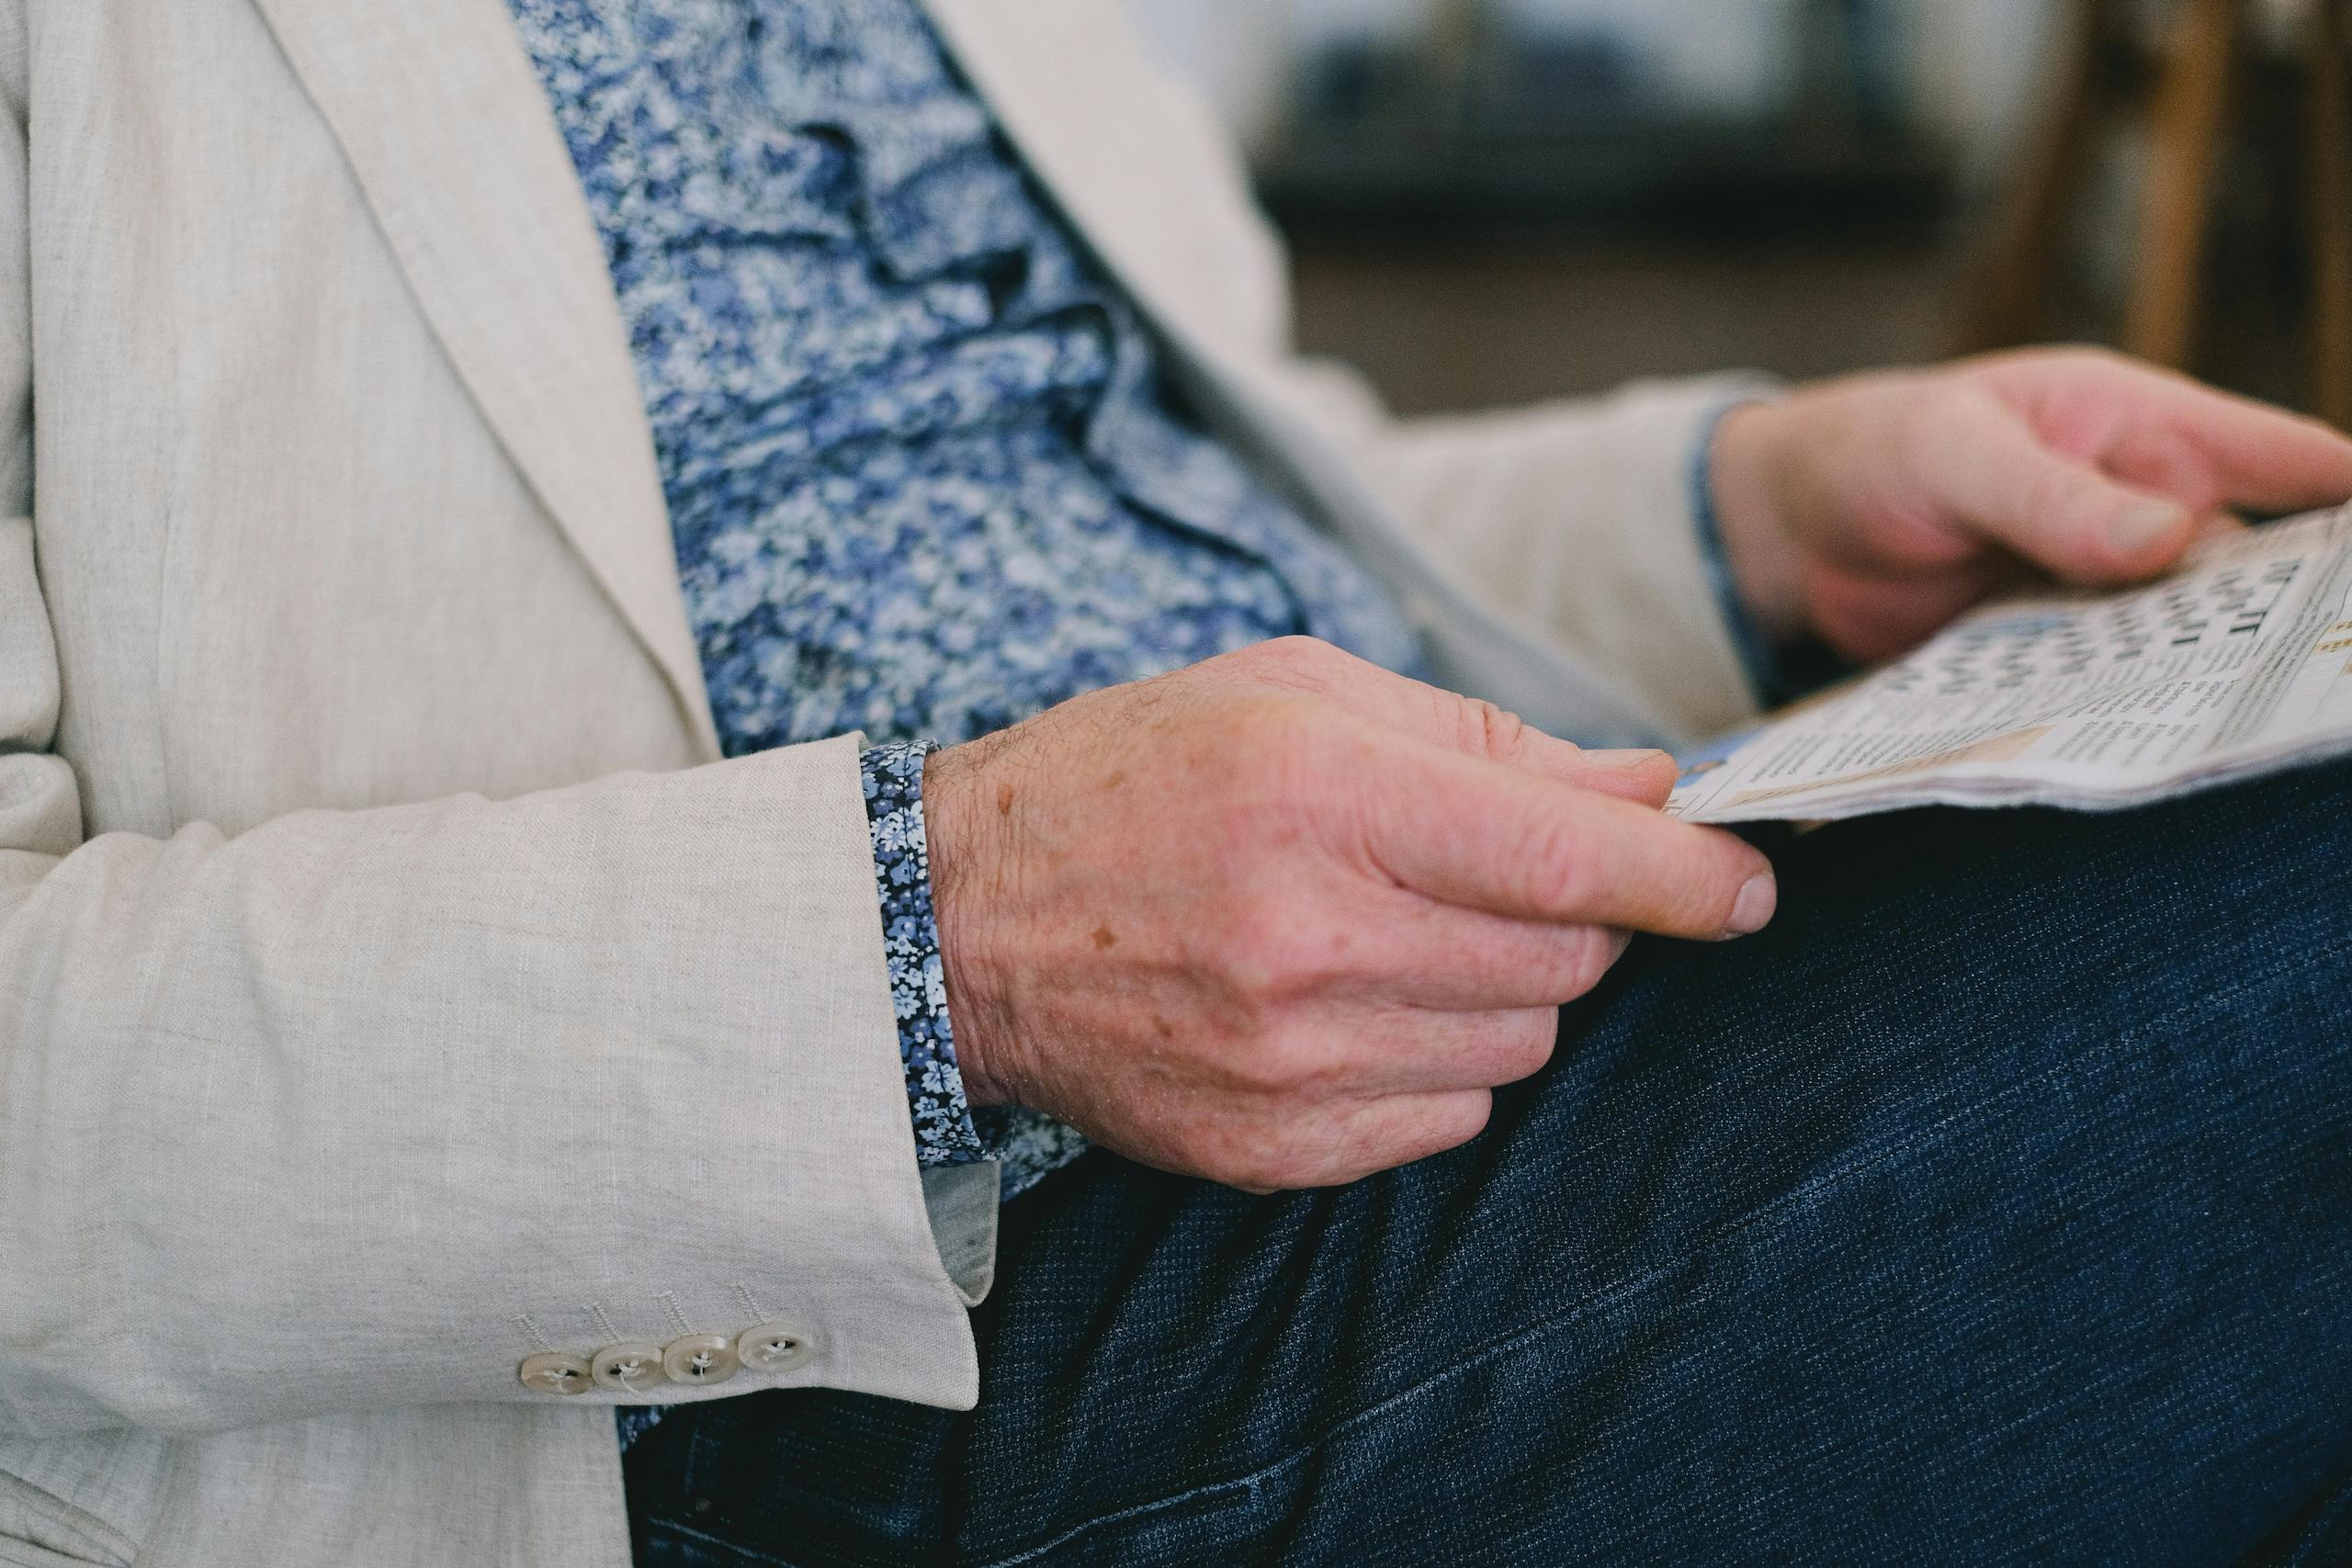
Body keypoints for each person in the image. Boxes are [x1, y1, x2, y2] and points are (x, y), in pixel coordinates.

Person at [0, 1, 2344, 1563]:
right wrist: (957, 946)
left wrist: (1734, 516)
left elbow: (1171, 491)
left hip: (1428, 984)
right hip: (806, 1330)